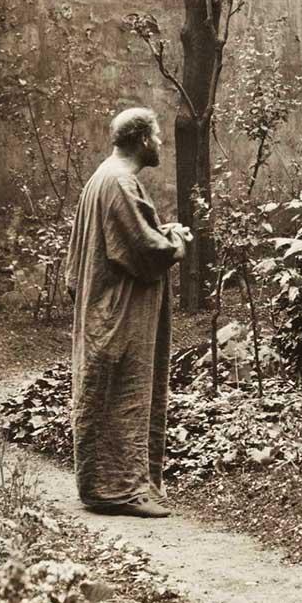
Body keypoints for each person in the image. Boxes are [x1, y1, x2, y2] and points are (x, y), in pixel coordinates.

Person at [64, 107, 188, 517]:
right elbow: (143, 249)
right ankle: (120, 489)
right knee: (124, 392)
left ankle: (121, 484)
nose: (161, 145)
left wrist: (164, 232)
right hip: (118, 310)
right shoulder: (119, 182)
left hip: (106, 303)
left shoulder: (105, 177)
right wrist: (175, 243)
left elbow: (126, 236)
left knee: (113, 390)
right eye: (158, 137)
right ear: (144, 141)